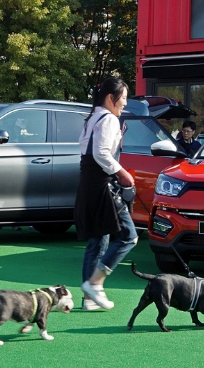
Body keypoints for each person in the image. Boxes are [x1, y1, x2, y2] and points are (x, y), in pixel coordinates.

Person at [75, 77, 138, 311]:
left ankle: (89, 299)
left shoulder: (92, 117)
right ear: (111, 98)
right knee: (129, 236)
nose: (125, 103)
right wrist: (122, 173)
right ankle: (96, 284)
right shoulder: (109, 119)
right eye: (123, 98)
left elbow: (87, 150)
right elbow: (101, 152)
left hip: (88, 182)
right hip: (102, 184)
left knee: (98, 238)